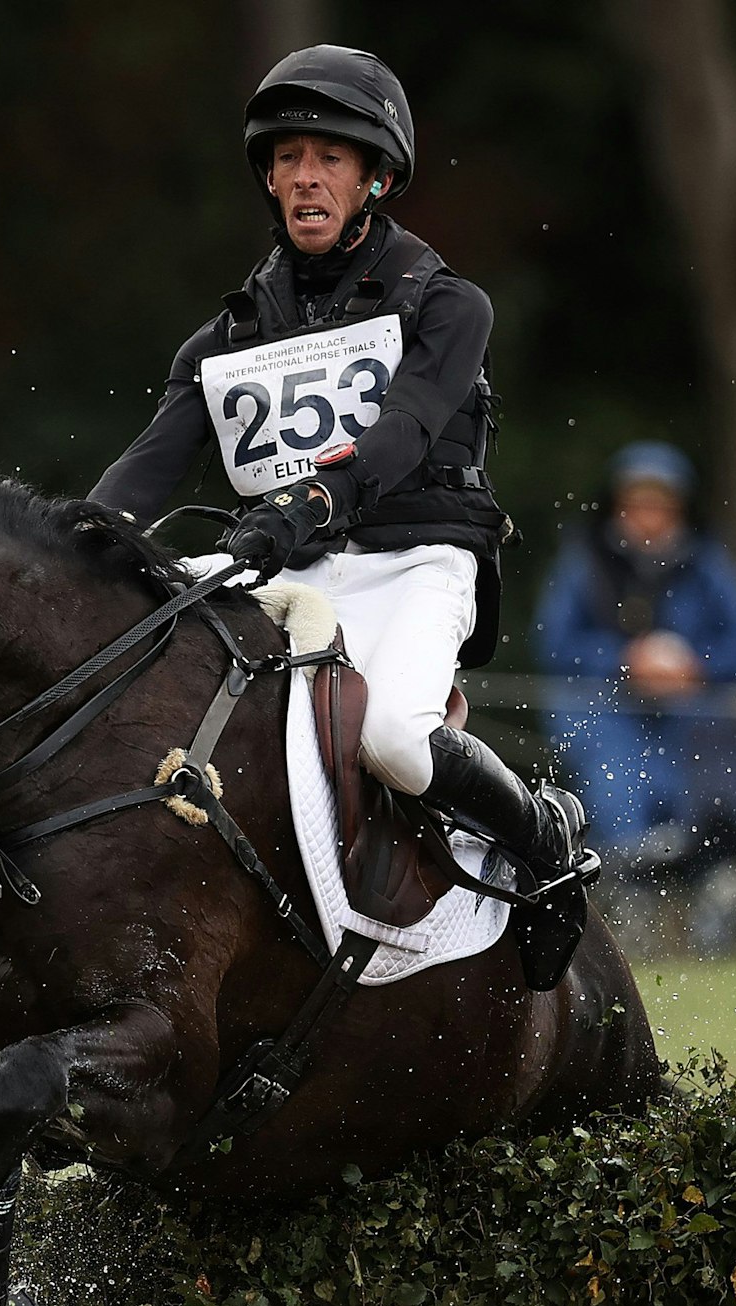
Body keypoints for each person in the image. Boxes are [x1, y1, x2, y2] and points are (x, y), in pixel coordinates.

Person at [89, 45, 587, 881]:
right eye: (289, 159)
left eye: (329, 159)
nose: (306, 177)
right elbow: (143, 472)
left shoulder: (452, 305)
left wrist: (311, 501)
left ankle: (543, 836)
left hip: (420, 560)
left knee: (392, 736)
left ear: (374, 180)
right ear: (271, 181)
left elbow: (405, 429)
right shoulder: (222, 342)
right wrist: (69, 544)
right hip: (294, 568)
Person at [533, 441, 736, 863]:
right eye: (636, 504)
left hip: (692, 717)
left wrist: (698, 668)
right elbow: (555, 644)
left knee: (714, 796)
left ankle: (712, 880)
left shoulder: (707, 562)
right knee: (615, 791)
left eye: (660, 505)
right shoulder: (586, 559)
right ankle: (622, 881)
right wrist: (624, 661)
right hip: (607, 711)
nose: (647, 518)